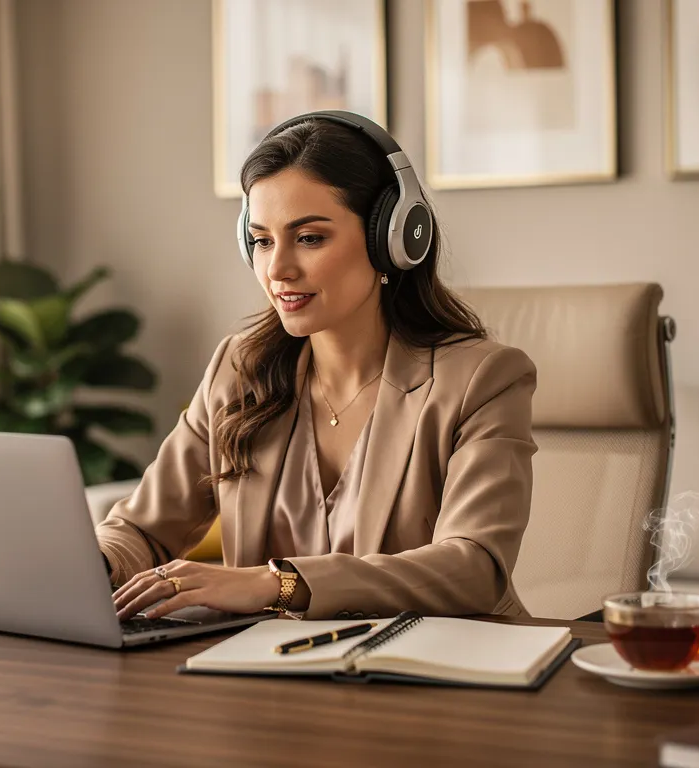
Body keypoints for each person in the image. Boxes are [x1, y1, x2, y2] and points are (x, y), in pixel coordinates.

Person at [98, 111, 537, 622]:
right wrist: (96, 562)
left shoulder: (482, 380)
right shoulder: (241, 371)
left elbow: (474, 568)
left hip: (442, 675)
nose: (278, 269)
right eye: (262, 241)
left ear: (391, 239)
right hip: (277, 677)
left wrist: (277, 584)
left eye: (309, 238)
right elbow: (145, 527)